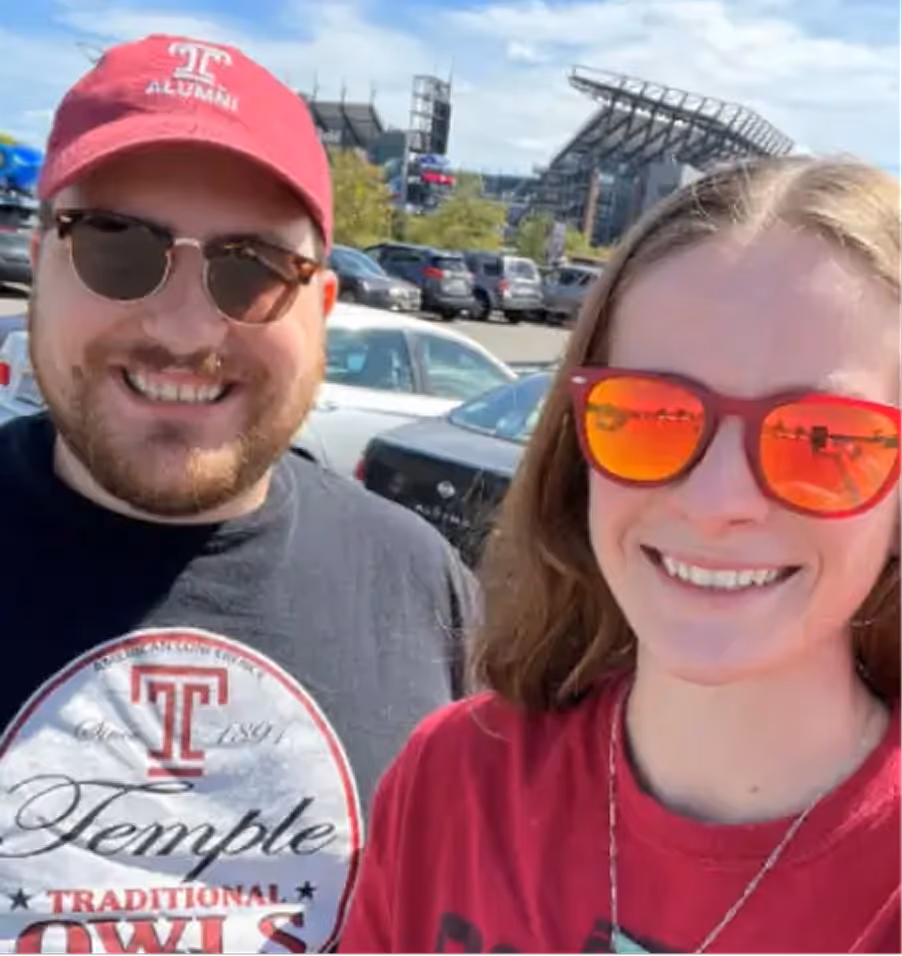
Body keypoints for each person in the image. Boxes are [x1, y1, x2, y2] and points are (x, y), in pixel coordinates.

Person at [339, 156, 901, 954]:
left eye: (823, 439)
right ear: (580, 450)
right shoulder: (456, 781)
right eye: (651, 417)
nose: (716, 503)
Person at [0, 34, 478, 954]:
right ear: (39, 264)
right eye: (116, 246)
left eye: (254, 268)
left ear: (323, 308)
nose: (184, 329)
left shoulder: (421, 588)